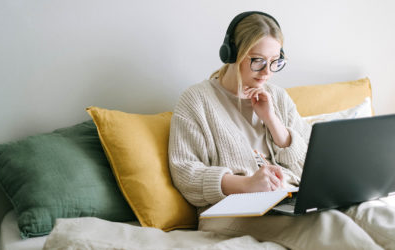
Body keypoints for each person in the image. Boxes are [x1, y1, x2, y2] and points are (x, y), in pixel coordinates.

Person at [168, 11, 395, 250]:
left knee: (369, 211)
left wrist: (273, 121)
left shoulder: (277, 96)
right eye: (258, 60)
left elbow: (311, 164)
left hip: (287, 198)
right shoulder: (196, 100)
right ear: (232, 54)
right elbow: (186, 174)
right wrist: (246, 185)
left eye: (275, 61)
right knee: (329, 225)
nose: (267, 72)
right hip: (228, 211)